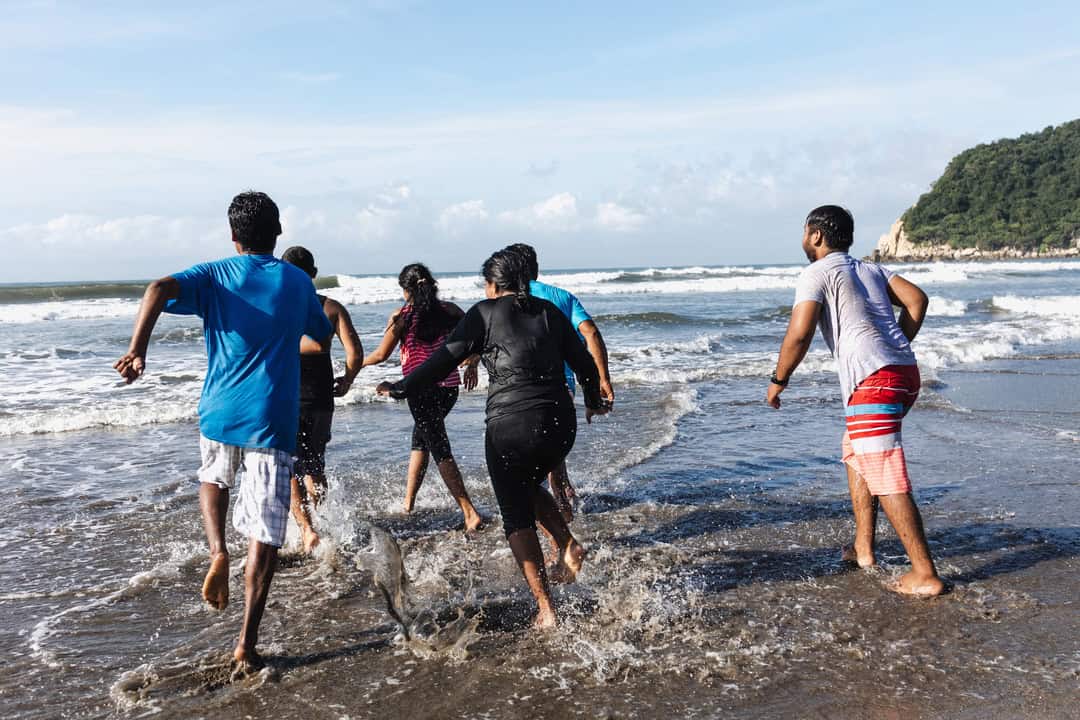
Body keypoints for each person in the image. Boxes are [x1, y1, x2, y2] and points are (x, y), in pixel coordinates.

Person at [114, 191, 333, 668]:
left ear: (233, 237)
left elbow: (156, 288)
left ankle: (217, 552)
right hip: (272, 416)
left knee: (213, 479)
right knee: (267, 533)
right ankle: (246, 644)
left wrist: (138, 351)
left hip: (218, 410)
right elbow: (322, 332)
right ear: (278, 232)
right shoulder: (296, 281)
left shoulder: (214, 274)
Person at [377, 249, 609, 629]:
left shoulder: (483, 314)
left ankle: (547, 608)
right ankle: (568, 545)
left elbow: (441, 360)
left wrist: (402, 387)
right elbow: (584, 363)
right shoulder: (549, 313)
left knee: (515, 515)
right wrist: (593, 399)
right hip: (560, 425)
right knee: (527, 483)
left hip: (510, 428)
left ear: (493, 284)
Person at [766, 205, 945, 597]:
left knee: (884, 470)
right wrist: (894, 348)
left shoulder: (817, 272)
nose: (803, 239)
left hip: (873, 381)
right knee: (855, 449)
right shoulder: (870, 270)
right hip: (903, 372)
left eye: (804, 231)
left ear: (815, 235)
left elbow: (800, 333)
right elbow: (917, 301)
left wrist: (779, 379)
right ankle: (864, 547)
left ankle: (924, 573)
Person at [362, 263, 483, 532]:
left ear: (406, 290)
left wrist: (354, 364)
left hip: (420, 390)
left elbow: (380, 355)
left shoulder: (402, 317)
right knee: (421, 440)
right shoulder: (449, 311)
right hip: (449, 388)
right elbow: (479, 338)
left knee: (439, 447)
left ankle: (469, 512)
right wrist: (473, 362)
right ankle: (408, 503)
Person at [505, 243, 614, 521]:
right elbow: (590, 332)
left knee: (537, 464)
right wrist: (603, 378)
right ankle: (564, 508)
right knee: (552, 457)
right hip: (563, 386)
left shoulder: (506, 300)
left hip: (521, 389)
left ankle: (562, 527)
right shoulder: (563, 297)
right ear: (536, 269)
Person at [281, 246, 364, 554]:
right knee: (315, 465)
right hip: (321, 399)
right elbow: (355, 355)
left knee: (290, 468)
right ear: (313, 274)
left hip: (286, 399)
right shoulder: (332, 308)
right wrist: (348, 380)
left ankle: (307, 531)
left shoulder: (276, 308)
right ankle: (324, 521)